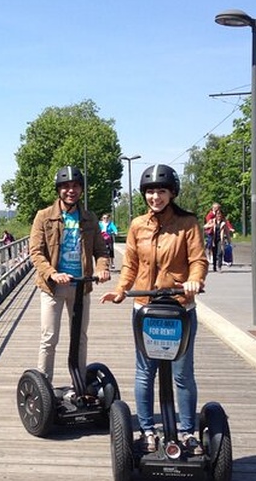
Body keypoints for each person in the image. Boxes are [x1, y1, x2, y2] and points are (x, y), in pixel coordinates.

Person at [100, 164, 208, 455]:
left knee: (182, 373)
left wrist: (195, 280)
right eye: (150, 191)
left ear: (172, 193)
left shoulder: (188, 223)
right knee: (144, 372)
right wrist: (121, 290)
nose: (155, 197)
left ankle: (187, 432)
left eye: (161, 191)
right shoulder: (138, 225)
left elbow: (198, 259)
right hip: (145, 306)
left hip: (179, 307)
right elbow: (131, 264)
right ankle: (147, 430)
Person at [29, 165, 111, 385]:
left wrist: (103, 268)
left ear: (81, 190)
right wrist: (52, 273)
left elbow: (101, 251)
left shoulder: (89, 218)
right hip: (52, 287)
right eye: (65, 186)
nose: (70, 190)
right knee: (49, 338)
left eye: (75, 186)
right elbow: (36, 253)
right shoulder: (44, 217)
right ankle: (43, 388)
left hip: (81, 285)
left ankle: (80, 383)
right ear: (59, 190)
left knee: (80, 338)